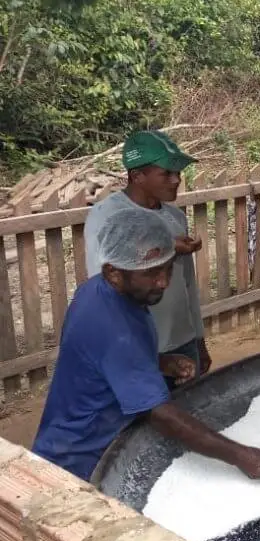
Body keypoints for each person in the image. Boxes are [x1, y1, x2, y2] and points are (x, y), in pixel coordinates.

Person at [33, 206, 260, 483]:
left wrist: (160, 362)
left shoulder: (98, 291)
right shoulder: (113, 326)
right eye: (152, 273)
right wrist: (241, 455)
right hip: (78, 462)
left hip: (84, 441)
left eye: (167, 269)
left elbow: (103, 362)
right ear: (114, 273)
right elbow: (160, 415)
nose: (163, 282)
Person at [85, 130, 208, 391]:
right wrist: (166, 248)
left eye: (178, 173)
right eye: (166, 173)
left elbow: (187, 285)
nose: (176, 180)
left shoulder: (175, 217)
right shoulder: (107, 215)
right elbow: (104, 283)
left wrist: (198, 338)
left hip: (182, 340)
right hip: (140, 347)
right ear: (137, 175)